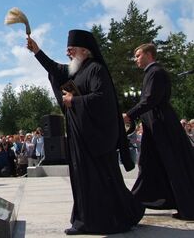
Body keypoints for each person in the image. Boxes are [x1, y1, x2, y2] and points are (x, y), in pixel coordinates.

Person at [27, 30, 144, 235]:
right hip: (80, 137)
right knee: (84, 180)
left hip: (95, 139)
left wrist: (75, 101)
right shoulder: (77, 71)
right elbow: (55, 69)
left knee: (101, 181)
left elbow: (102, 99)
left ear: (85, 50)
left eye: (71, 49)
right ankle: (88, 220)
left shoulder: (96, 69)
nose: (67, 53)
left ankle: (106, 220)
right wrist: (37, 51)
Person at [123, 43, 194, 220]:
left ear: (149, 54)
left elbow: (150, 100)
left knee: (173, 165)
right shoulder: (152, 73)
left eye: (138, 55)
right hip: (155, 127)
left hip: (162, 127)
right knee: (150, 164)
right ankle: (138, 201)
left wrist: (129, 115)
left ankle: (188, 208)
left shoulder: (156, 72)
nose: (135, 59)